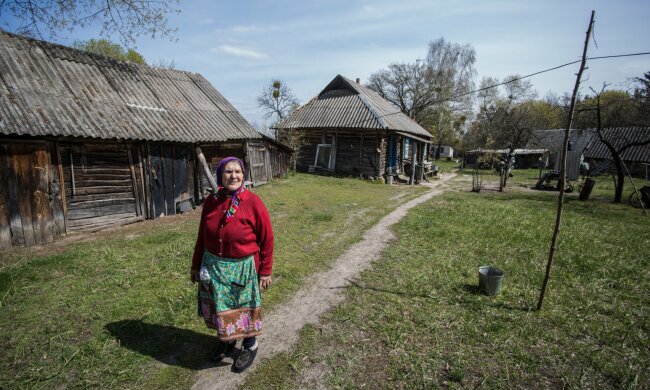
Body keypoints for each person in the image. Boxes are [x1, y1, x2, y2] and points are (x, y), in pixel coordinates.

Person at [191, 157, 274, 373]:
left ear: (243, 175)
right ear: (220, 176)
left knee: (243, 307)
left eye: (238, 171)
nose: (233, 176)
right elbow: (202, 236)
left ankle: (249, 344)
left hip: (242, 268)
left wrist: (265, 271)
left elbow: (267, 238)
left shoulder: (253, 202)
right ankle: (227, 340)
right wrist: (195, 265)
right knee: (221, 306)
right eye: (228, 171)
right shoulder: (212, 201)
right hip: (214, 268)